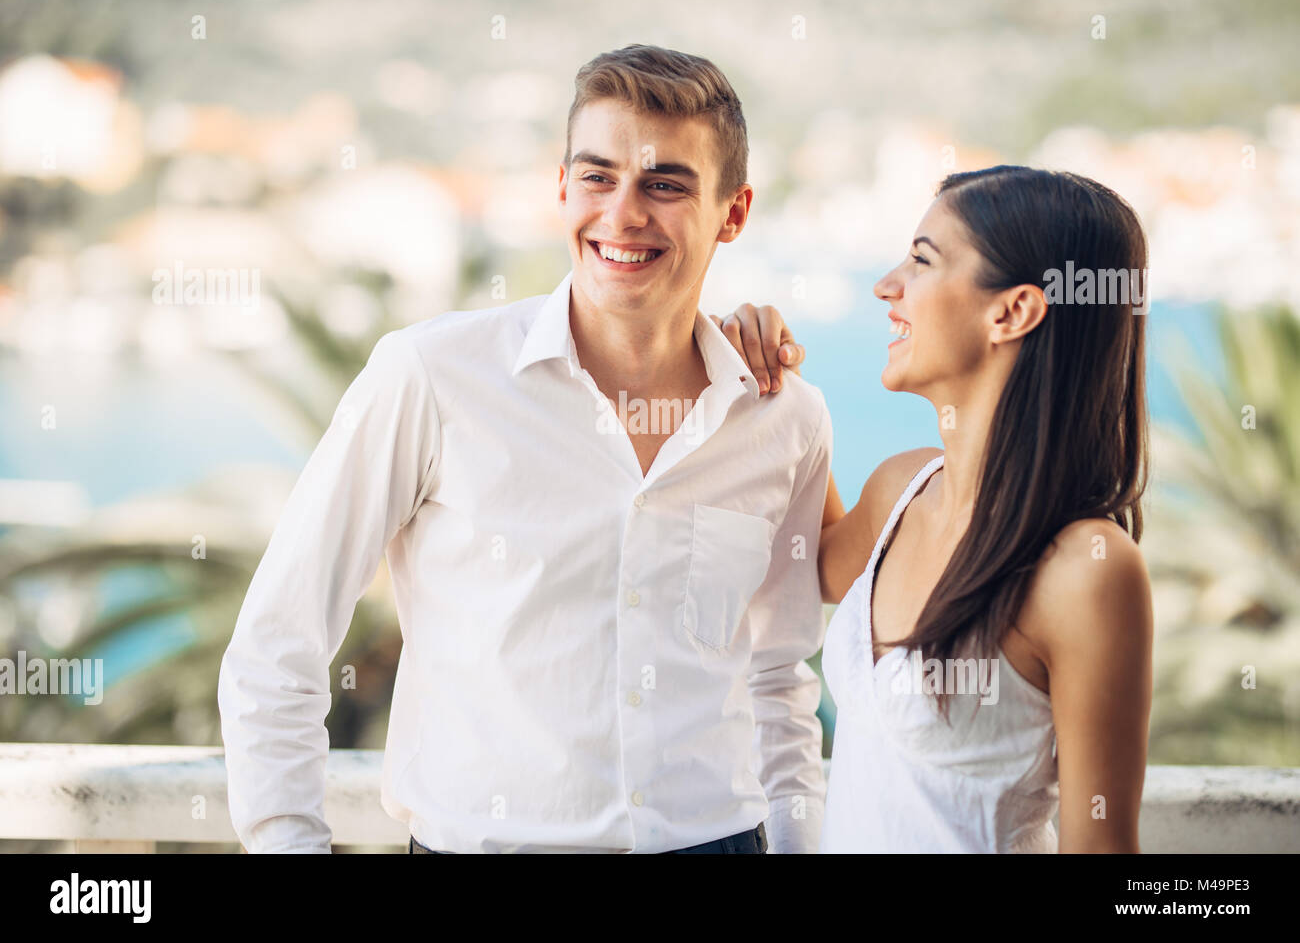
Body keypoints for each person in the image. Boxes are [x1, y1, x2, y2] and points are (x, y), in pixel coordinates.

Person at [217, 44, 832, 854]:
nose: (622, 214)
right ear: (562, 187)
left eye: (666, 184)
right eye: (597, 176)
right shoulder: (432, 376)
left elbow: (779, 676)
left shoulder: (783, 419)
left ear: (735, 211)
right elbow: (276, 647)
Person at [716, 166, 1154, 852]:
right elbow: (806, 561)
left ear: (1011, 312)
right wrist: (770, 385)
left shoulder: (1087, 572)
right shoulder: (902, 490)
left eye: (921, 261)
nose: (887, 285)